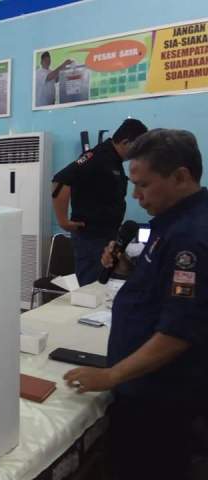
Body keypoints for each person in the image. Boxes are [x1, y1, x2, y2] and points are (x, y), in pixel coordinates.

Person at [63, 129, 208, 480]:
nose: (135, 195)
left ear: (180, 177)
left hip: (160, 397)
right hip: (143, 386)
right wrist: (127, 269)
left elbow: (179, 331)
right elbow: (161, 286)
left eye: (143, 185)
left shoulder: (191, 237)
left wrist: (110, 375)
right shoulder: (171, 221)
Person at [52, 118, 148, 285]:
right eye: (138, 148)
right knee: (92, 289)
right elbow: (60, 179)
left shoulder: (114, 161)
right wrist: (63, 221)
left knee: (105, 287)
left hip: (107, 236)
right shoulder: (96, 157)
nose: (139, 154)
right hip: (91, 238)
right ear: (126, 142)